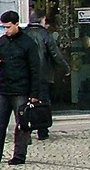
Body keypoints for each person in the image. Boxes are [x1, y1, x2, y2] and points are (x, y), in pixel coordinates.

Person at [0, 10, 41, 166]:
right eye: (4, 27)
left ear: (16, 24)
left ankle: (19, 156)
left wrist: (34, 93)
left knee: (22, 124)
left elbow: (35, 69)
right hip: (4, 88)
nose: (6, 30)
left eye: (8, 27)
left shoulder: (28, 43)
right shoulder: (1, 42)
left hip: (21, 88)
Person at [22, 8, 71, 140]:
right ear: (42, 19)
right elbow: (56, 55)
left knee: (26, 102)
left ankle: (26, 128)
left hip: (25, 75)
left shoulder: (23, 33)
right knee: (42, 102)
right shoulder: (45, 35)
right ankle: (42, 130)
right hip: (42, 74)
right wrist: (66, 68)